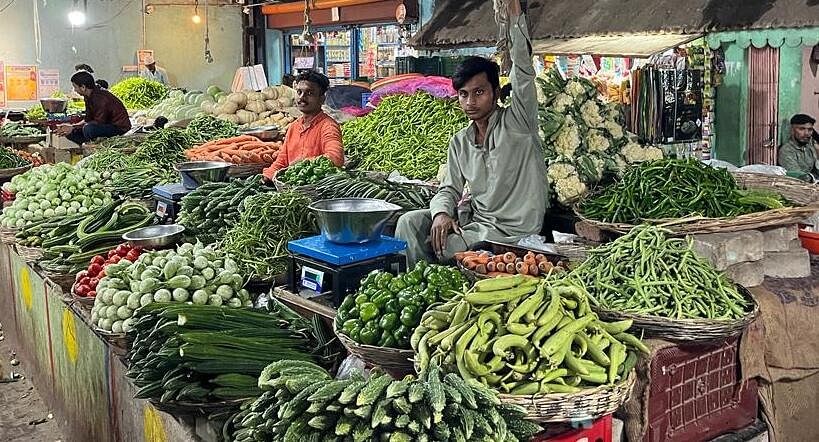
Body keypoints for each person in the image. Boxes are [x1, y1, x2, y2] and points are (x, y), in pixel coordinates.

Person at [394, 0, 547, 267]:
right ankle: (419, 284)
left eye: (479, 92)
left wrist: (514, 14)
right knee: (408, 223)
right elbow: (449, 188)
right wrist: (442, 213)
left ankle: (438, 285)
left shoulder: (519, 122)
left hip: (512, 230)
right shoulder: (460, 141)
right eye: (464, 95)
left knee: (444, 248)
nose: (470, 102)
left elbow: (523, 69)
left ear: (496, 93)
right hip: (476, 222)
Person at [262, 70, 344, 180]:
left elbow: (336, 158)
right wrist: (267, 176)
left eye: (309, 93)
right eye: (299, 92)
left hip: (317, 189)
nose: (302, 98)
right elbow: (282, 160)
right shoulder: (293, 127)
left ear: (322, 99)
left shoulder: (328, 127)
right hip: (293, 187)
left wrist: (303, 163)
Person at [52, 71, 131, 145]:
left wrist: (73, 127)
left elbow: (99, 122)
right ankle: (88, 145)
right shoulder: (88, 96)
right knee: (70, 133)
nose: (75, 90)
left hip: (118, 128)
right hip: (105, 125)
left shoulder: (100, 98)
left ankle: (94, 144)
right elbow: (88, 119)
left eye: (75, 87)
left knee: (88, 129)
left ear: (83, 87)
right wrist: (71, 127)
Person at [778, 114, 819, 180]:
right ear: (792, 130)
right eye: (802, 129)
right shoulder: (786, 151)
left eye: (810, 129)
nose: (807, 133)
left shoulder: (809, 146)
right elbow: (800, 177)